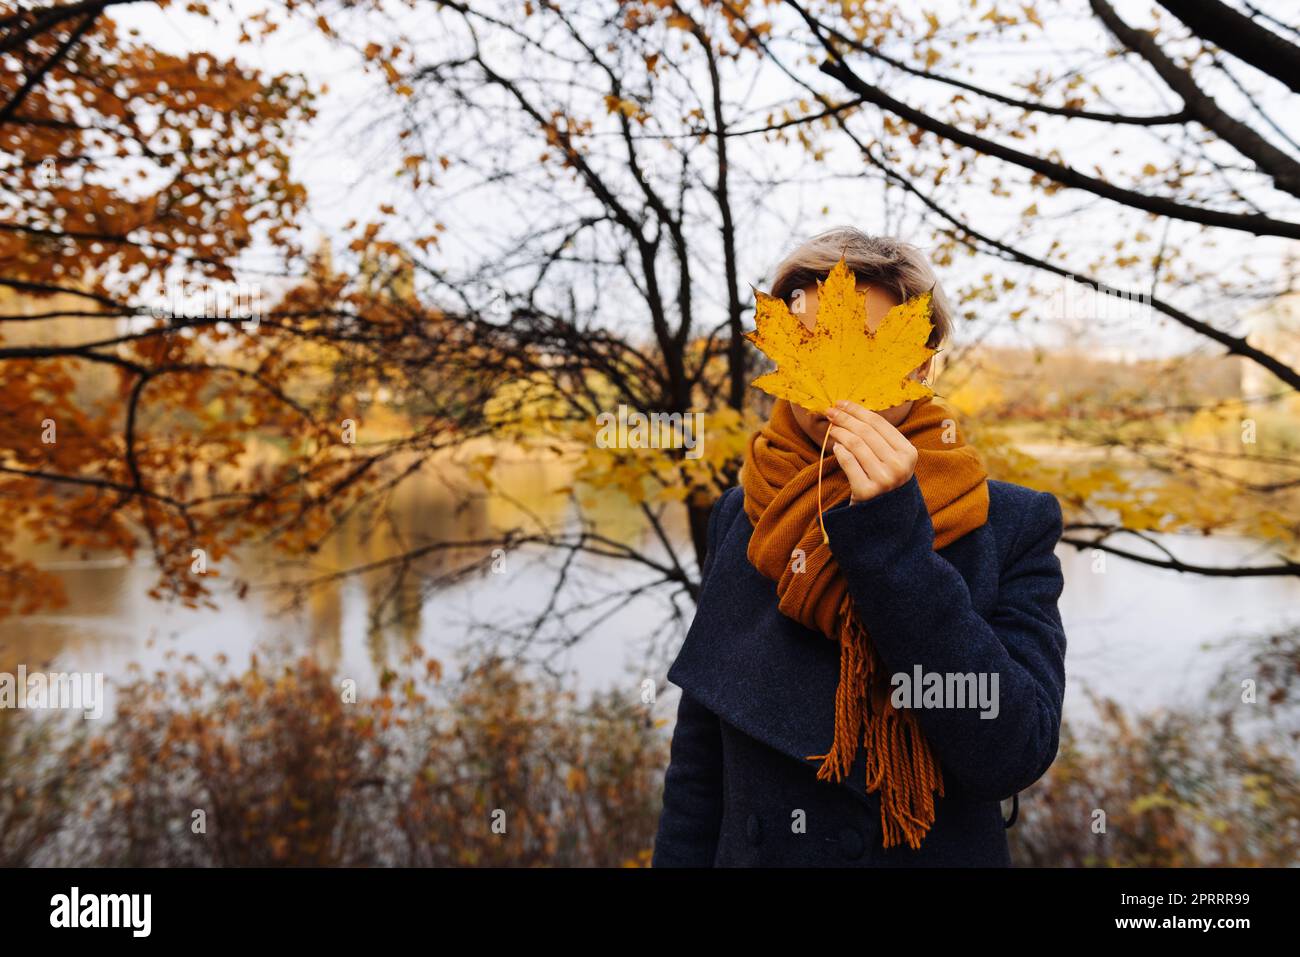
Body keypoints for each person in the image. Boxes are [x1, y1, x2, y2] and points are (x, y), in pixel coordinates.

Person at [651, 227, 1067, 867]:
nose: (835, 378)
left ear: (922, 367)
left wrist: (893, 542)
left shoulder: (1009, 523)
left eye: (871, 350)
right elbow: (699, 764)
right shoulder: (746, 510)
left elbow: (1011, 751)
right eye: (808, 347)